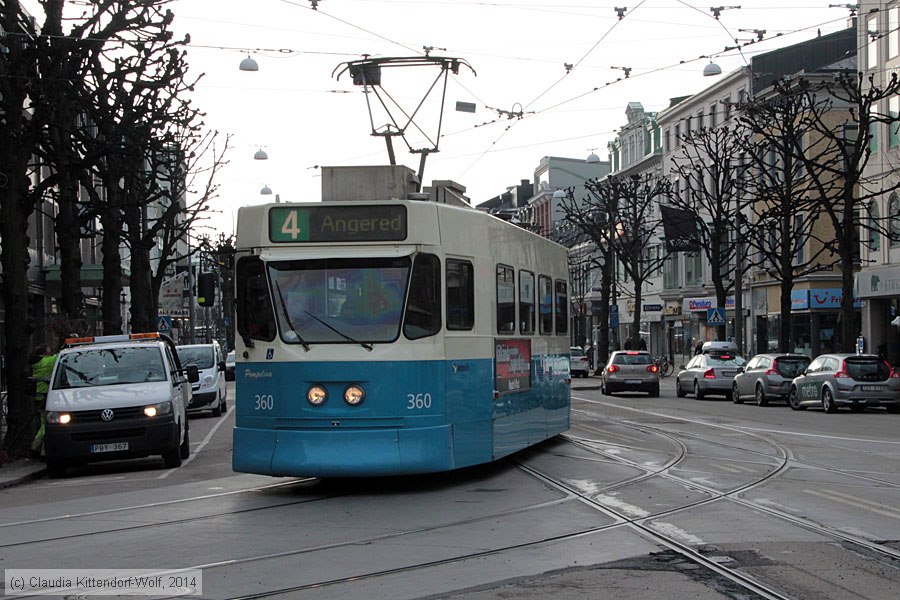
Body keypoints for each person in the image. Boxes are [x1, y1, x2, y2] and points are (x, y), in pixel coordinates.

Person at [29, 343, 58, 459]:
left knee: (43, 422)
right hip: (46, 396)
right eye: (48, 350)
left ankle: (39, 449)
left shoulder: (36, 363)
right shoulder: (47, 362)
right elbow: (57, 357)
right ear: (45, 353)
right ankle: (35, 448)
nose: (50, 351)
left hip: (38, 396)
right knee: (45, 424)